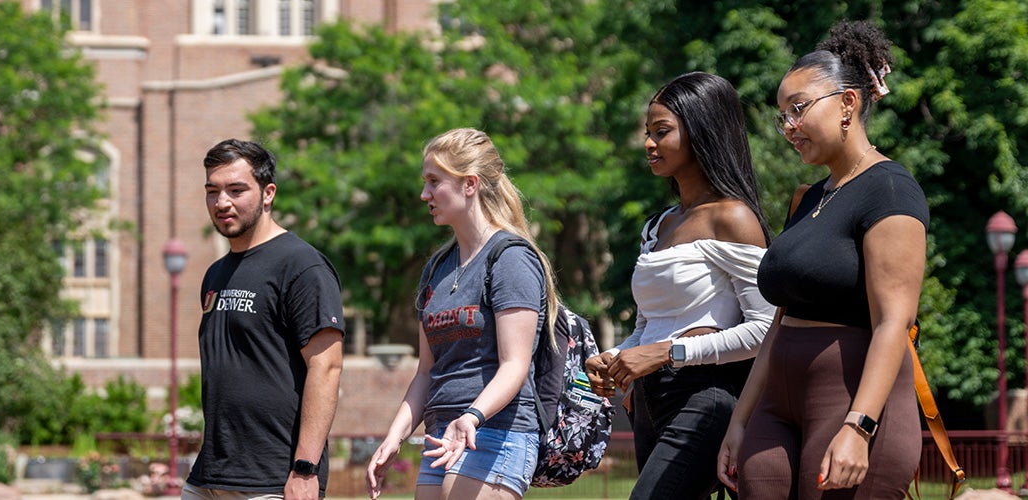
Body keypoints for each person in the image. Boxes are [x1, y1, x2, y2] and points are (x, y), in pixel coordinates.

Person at [716, 20, 927, 499]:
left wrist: (860, 425)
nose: (788, 127)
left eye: (798, 109)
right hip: (778, 401)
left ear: (848, 103)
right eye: (782, 116)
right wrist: (741, 418)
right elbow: (781, 317)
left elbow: (895, 320)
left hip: (850, 398)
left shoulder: (890, 188)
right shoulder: (807, 199)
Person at [583, 71, 775, 499]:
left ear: (701, 132)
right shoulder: (659, 225)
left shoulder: (733, 218)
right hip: (649, 400)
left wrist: (668, 353)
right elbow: (649, 326)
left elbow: (767, 331)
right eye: (647, 133)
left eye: (662, 132)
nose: (649, 144)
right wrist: (615, 357)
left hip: (705, 397)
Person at [365, 128, 559, 500]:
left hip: (495, 431)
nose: (424, 195)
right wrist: (395, 436)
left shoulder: (511, 258)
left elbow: (515, 365)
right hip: (441, 436)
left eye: (434, 182)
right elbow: (427, 371)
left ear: (469, 184)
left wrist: (471, 416)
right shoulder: (436, 268)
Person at [183, 139, 345, 500]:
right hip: (209, 474)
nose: (222, 202)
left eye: (236, 190)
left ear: (268, 193)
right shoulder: (215, 274)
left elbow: (327, 367)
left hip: (273, 480)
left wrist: (305, 469)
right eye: (213, 191)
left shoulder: (302, 266)